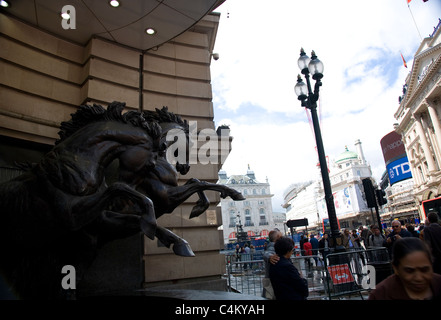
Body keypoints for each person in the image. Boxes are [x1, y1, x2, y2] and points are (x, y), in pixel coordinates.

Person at [368, 237, 441, 300]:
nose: (419, 278)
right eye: (409, 271)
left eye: (424, 270)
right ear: (396, 269)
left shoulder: (438, 283)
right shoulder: (381, 295)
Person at [262, 229, 282, 299]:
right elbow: (266, 253)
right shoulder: (273, 246)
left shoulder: (275, 245)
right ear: (278, 237)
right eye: (281, 236)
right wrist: (270, 257)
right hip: (272, 279)